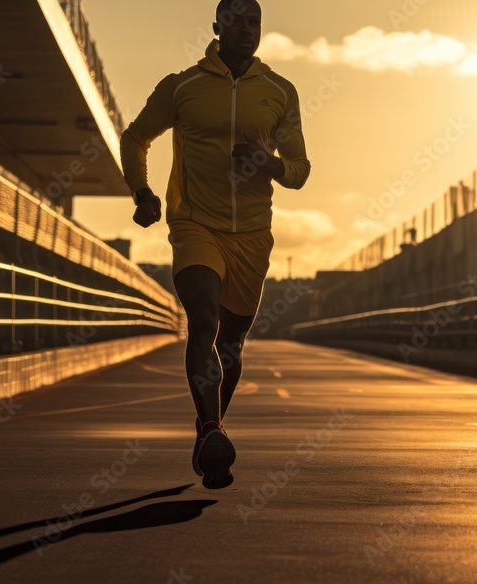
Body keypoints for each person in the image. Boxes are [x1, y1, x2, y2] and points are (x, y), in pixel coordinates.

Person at [120, 0, 310, 489]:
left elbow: (300, 170)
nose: (246, 29)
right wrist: (142, 193)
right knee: (202, 318)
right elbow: (135, 138)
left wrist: (268, 163)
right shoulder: (181, 86)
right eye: (237, 21)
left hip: (252, 234)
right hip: (193, 224)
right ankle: (210, 428)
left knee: (231, 343)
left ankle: (209, 430)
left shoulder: (280, 92)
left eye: (255, 22)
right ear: (217, 27)